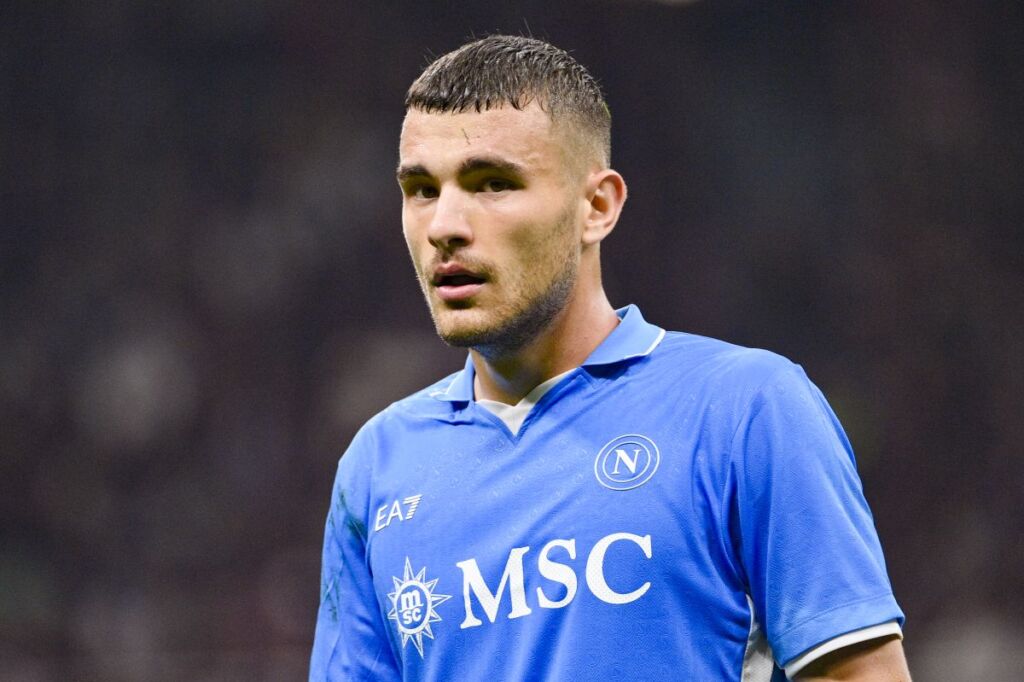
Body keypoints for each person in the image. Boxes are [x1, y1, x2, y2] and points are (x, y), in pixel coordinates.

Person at [310, 35, 909, 681]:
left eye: (493, 184)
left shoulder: (745, 408)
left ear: (596, 207)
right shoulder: (377, 468)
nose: (444, 226)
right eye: (422, 189)